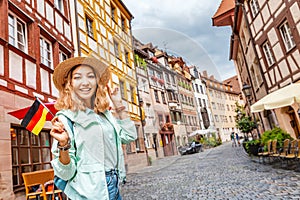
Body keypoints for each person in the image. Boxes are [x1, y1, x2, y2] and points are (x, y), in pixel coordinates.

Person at [50, 57, 137, 200]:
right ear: (70, 84)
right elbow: (66, 173)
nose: (85, 82)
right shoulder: (66, 118)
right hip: (90, 192)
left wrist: (118, 103)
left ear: (97, 83)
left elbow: (129, 135)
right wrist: (64, 145)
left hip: (114, 185)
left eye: (90, 76)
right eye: (78, 77)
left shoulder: (104, 114)